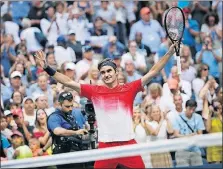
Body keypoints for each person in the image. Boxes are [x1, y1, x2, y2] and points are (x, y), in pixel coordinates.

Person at [35, 42, 176, 168]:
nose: (106, 74)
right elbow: (67, 81)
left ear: (116, 72)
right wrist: (47, 68)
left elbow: (153, 71)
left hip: (128, 144)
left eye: (109, 71)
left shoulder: (129, 88)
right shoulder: (95, 91)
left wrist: (169, 52)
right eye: (103, 72)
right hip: (106, 146)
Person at [47, 91, 88, 169]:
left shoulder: (70, 115)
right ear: (59, 104)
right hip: (63, 154)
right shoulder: (54, 117)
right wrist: (76, 132)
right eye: (67, 106)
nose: (70, 109)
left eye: (71, 106)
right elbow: (57, 131)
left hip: (76, 152)